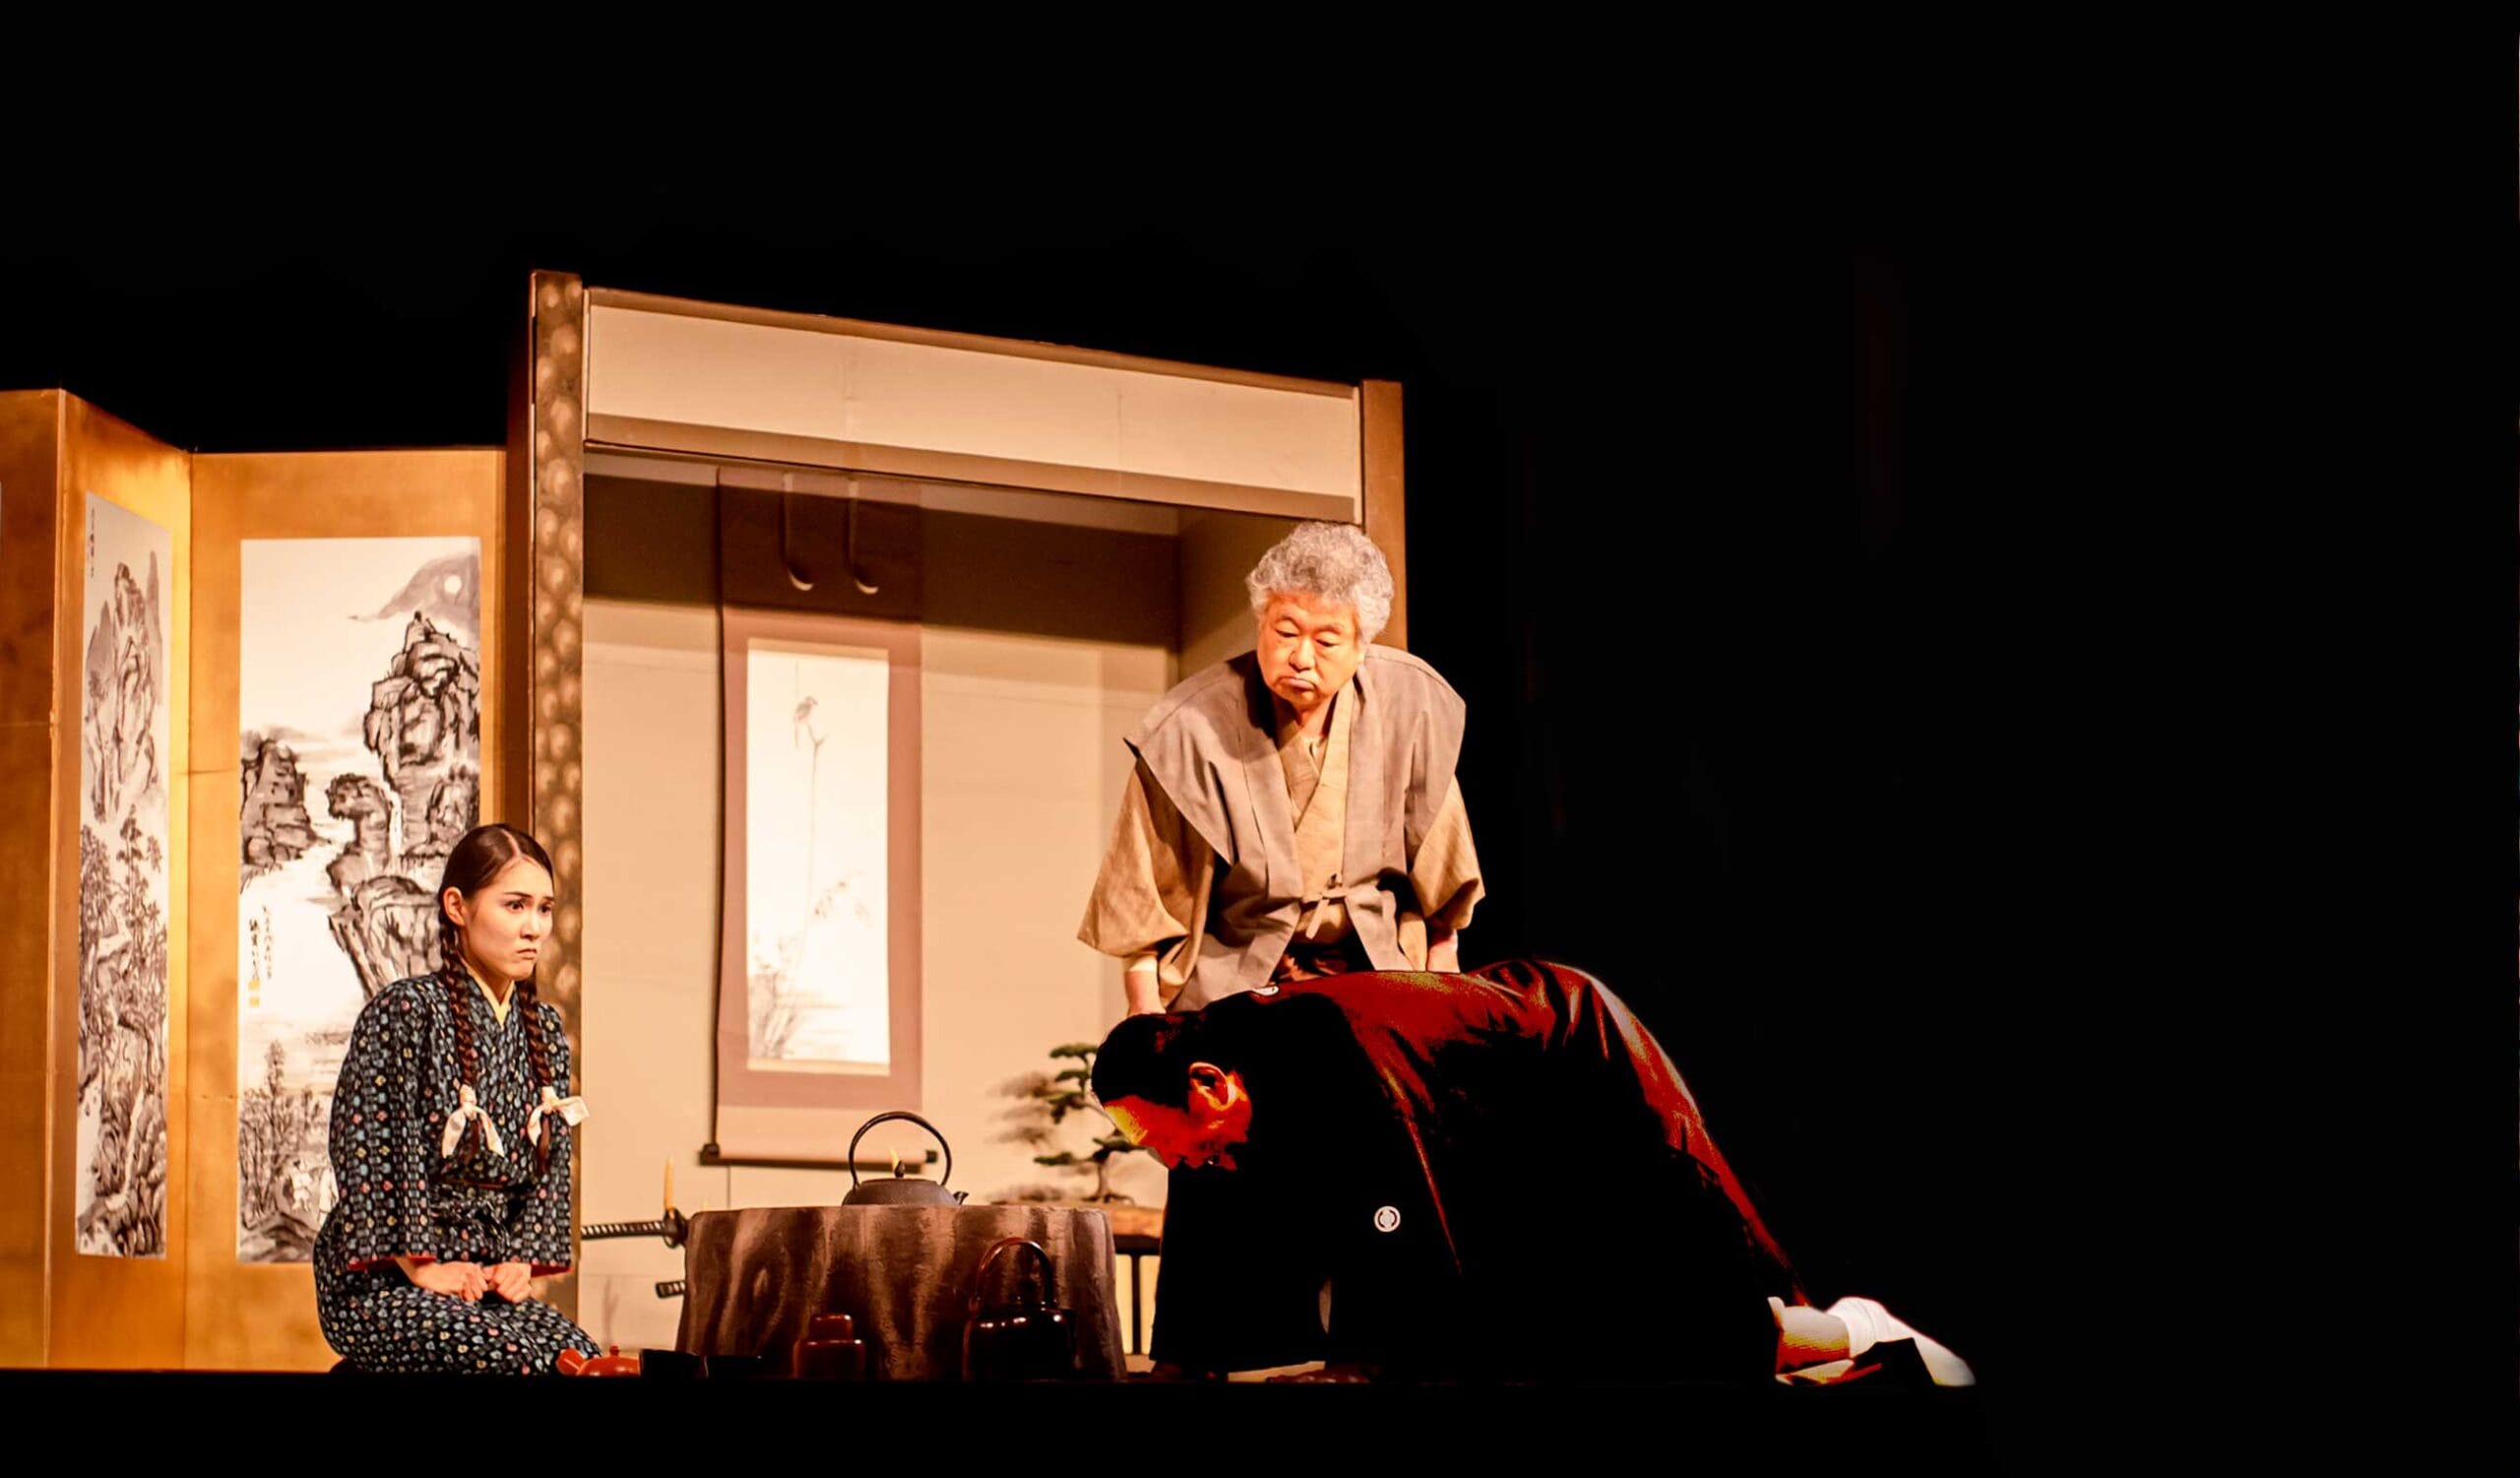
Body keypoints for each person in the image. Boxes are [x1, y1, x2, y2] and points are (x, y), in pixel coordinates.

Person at [1093, 959, 1974, 1386]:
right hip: (1493, 1143)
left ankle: (1855, 1326)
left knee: (1694, 1327)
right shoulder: (1209, 1061)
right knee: (1567, 1338)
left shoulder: (1337, 1051)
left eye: (1178, 1142)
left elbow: (1400, 1204)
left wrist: (1361, 1360)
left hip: (1579, 1078)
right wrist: (1181, 1366)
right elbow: (1204, 1212)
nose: (1185, 1163)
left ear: (1208, 1086)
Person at [1079, 520, 1483, 1016]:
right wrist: (1144, 1015)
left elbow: (1444, 882)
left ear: (1363, 647)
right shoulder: (1191, 727)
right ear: (1260, 622)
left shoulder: (1410, 706)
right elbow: (1143, 895)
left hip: (1374, 968)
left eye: (1327, 641)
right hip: (1236, 979)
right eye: (1285, 632)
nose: (1301, 657)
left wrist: (1445, 980)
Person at [312, 823, 599, 1374]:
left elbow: (550, 1164)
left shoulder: (542, 1029)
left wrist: (519, 1260)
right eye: (515, 905)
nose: (534, 928)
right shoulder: (406, 1010)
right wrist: (422, 1268)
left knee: (578, 1362)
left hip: (479, 1277)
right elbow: (369, 1146)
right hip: (383, 1276)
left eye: (544, 909)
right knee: (507, 1358)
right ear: (457, 907)